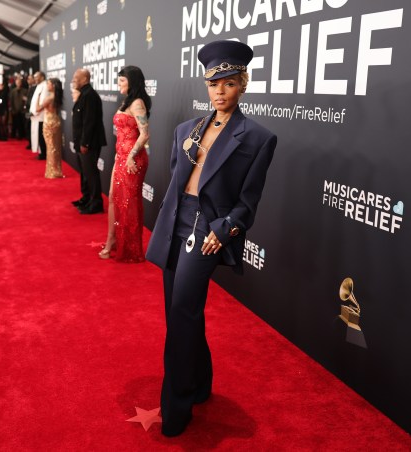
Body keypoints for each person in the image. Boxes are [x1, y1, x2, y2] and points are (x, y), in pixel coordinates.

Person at [145, 40, 277, 437]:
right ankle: (200, 384)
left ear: (242, 85)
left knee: (182, 312)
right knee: (181, 312)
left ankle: (176, 408)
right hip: (176, 223)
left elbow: (247, 204)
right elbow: (176, 182)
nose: (220, 91)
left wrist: (223, 230)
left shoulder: (257, 138)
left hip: (207, 231)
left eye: (229, 83)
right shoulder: (186, 130)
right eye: (213, 84)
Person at [98, 66, 151, 262]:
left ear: (132, 82)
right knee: (113, 197)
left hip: (133, 159)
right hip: (120, 156)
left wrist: (130, 156)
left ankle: (130, 247)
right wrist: (120, 156)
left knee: (129, 202)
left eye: (122, 80)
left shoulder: (137, 103)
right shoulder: (127, 101)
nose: (118, 83)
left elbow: (145, 134)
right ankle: (112, 239)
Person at [71, 68, 107, 214]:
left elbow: (89, 122)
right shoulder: (84, 94)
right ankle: (87, 198)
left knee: (91, 173)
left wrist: (85, 143)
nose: (73, 81)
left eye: (76, 78)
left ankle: (96, 202)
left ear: (85, 79)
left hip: (89, 143)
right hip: (82, 142)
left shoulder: (90, 95)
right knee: (85, 173)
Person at [38, 78, 64, 179]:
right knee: (56, 148)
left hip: (49, 123)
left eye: (48, 84)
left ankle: (52, 172)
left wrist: (38, 97)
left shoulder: (49, 98)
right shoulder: (57, 96)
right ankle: (57, 170)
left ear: (53, 86)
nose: (47, 86)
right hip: (56, 122)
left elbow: (37, 109)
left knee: (51, 148)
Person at [30, 72, 47, 157]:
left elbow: (42, 101)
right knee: (37, 135)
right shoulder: (39, 86)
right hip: (35, 115)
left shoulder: (45, 86)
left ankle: (43, 153)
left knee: (41, 136)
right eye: (34, 77)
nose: (35, 79)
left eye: (37, 77)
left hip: (40, 116)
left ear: (42, 77)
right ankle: (40, 152)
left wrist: (35, 112)